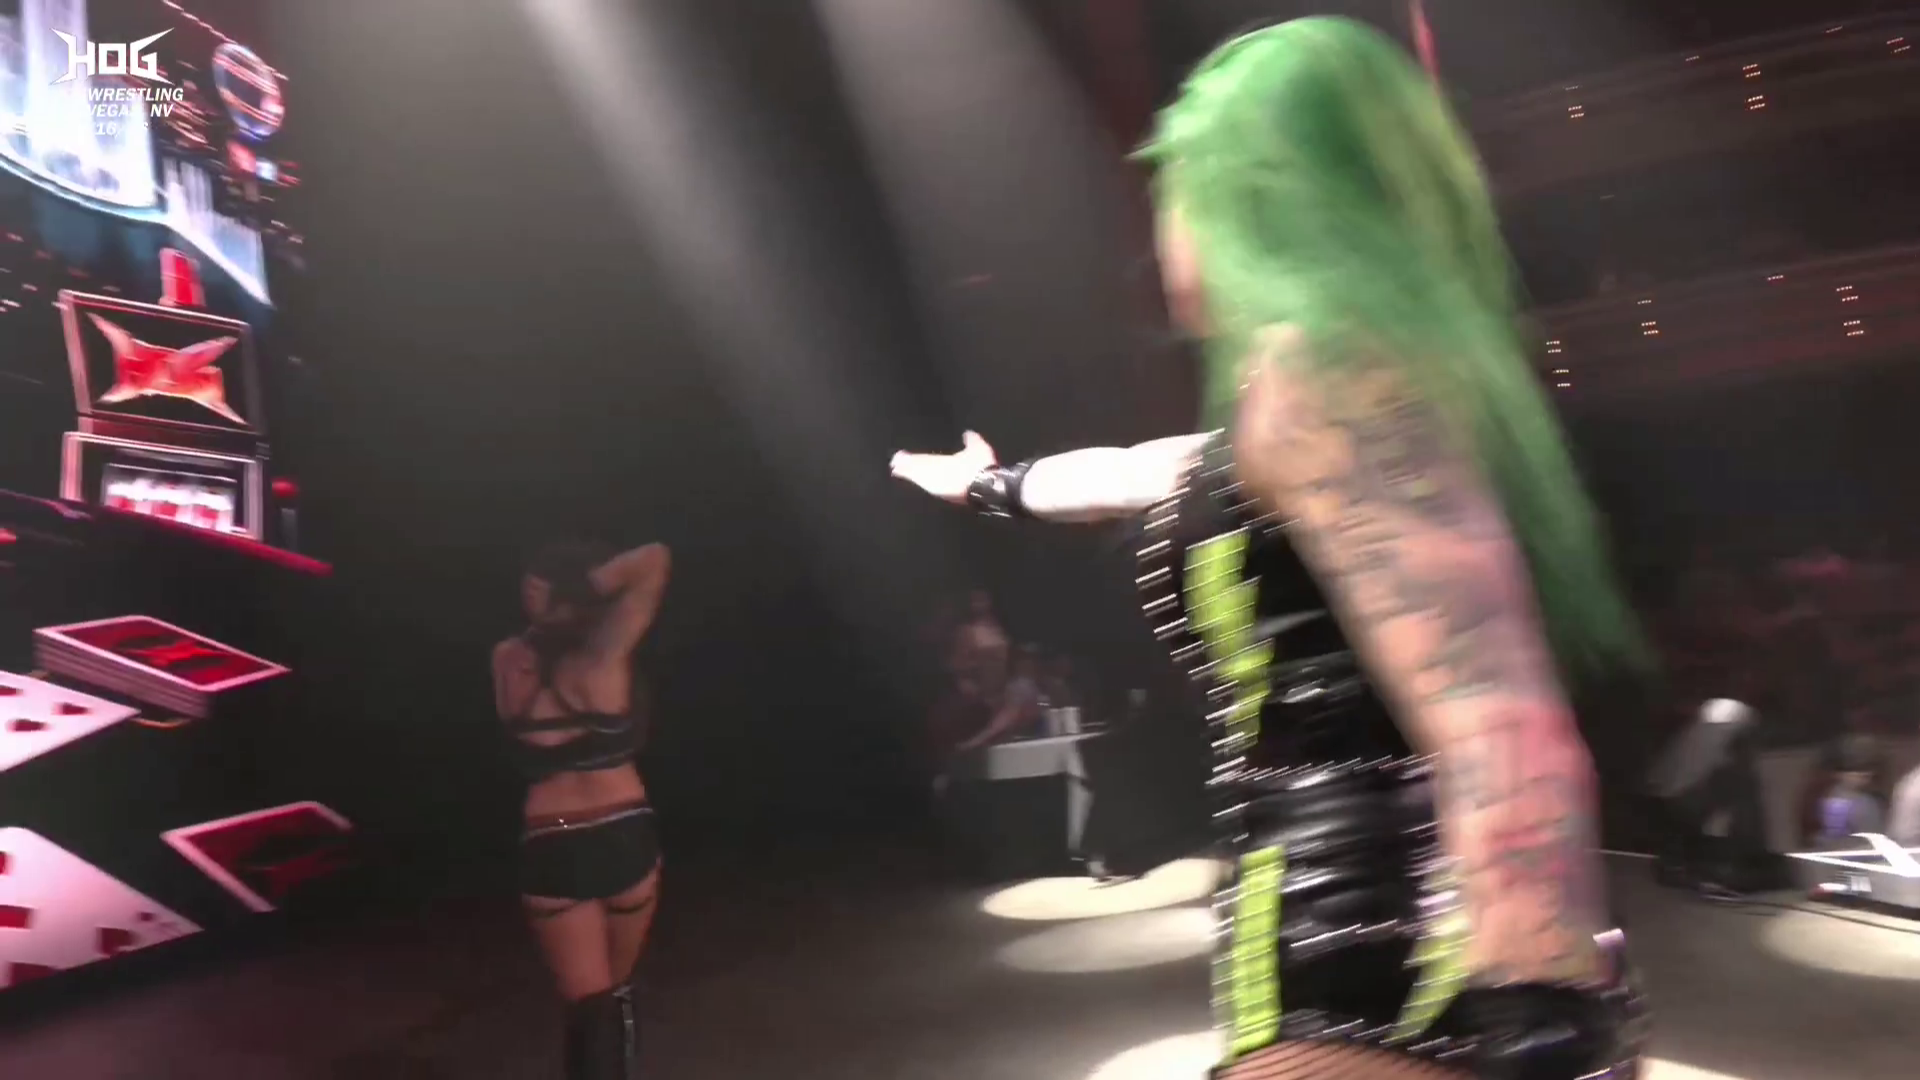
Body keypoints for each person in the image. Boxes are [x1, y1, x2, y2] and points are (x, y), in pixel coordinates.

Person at [890, 19, 1646, 1079]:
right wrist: (991, 485)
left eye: (1178, 187)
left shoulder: (1332, 383)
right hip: (1345, 922)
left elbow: (1491, 699)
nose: (1162, 225)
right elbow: (1143, 471)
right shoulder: (1309, 397)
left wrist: (1533, 989)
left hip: (1384, 942)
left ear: (1251, 196)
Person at [493, 540, 671, 1079]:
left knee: (587, 1009)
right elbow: (656, 558)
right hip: (623, 831)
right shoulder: (604, 654)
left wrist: (562, 598)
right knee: (615, 996)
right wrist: (588, 588)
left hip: (552, 837)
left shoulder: (507, 659)